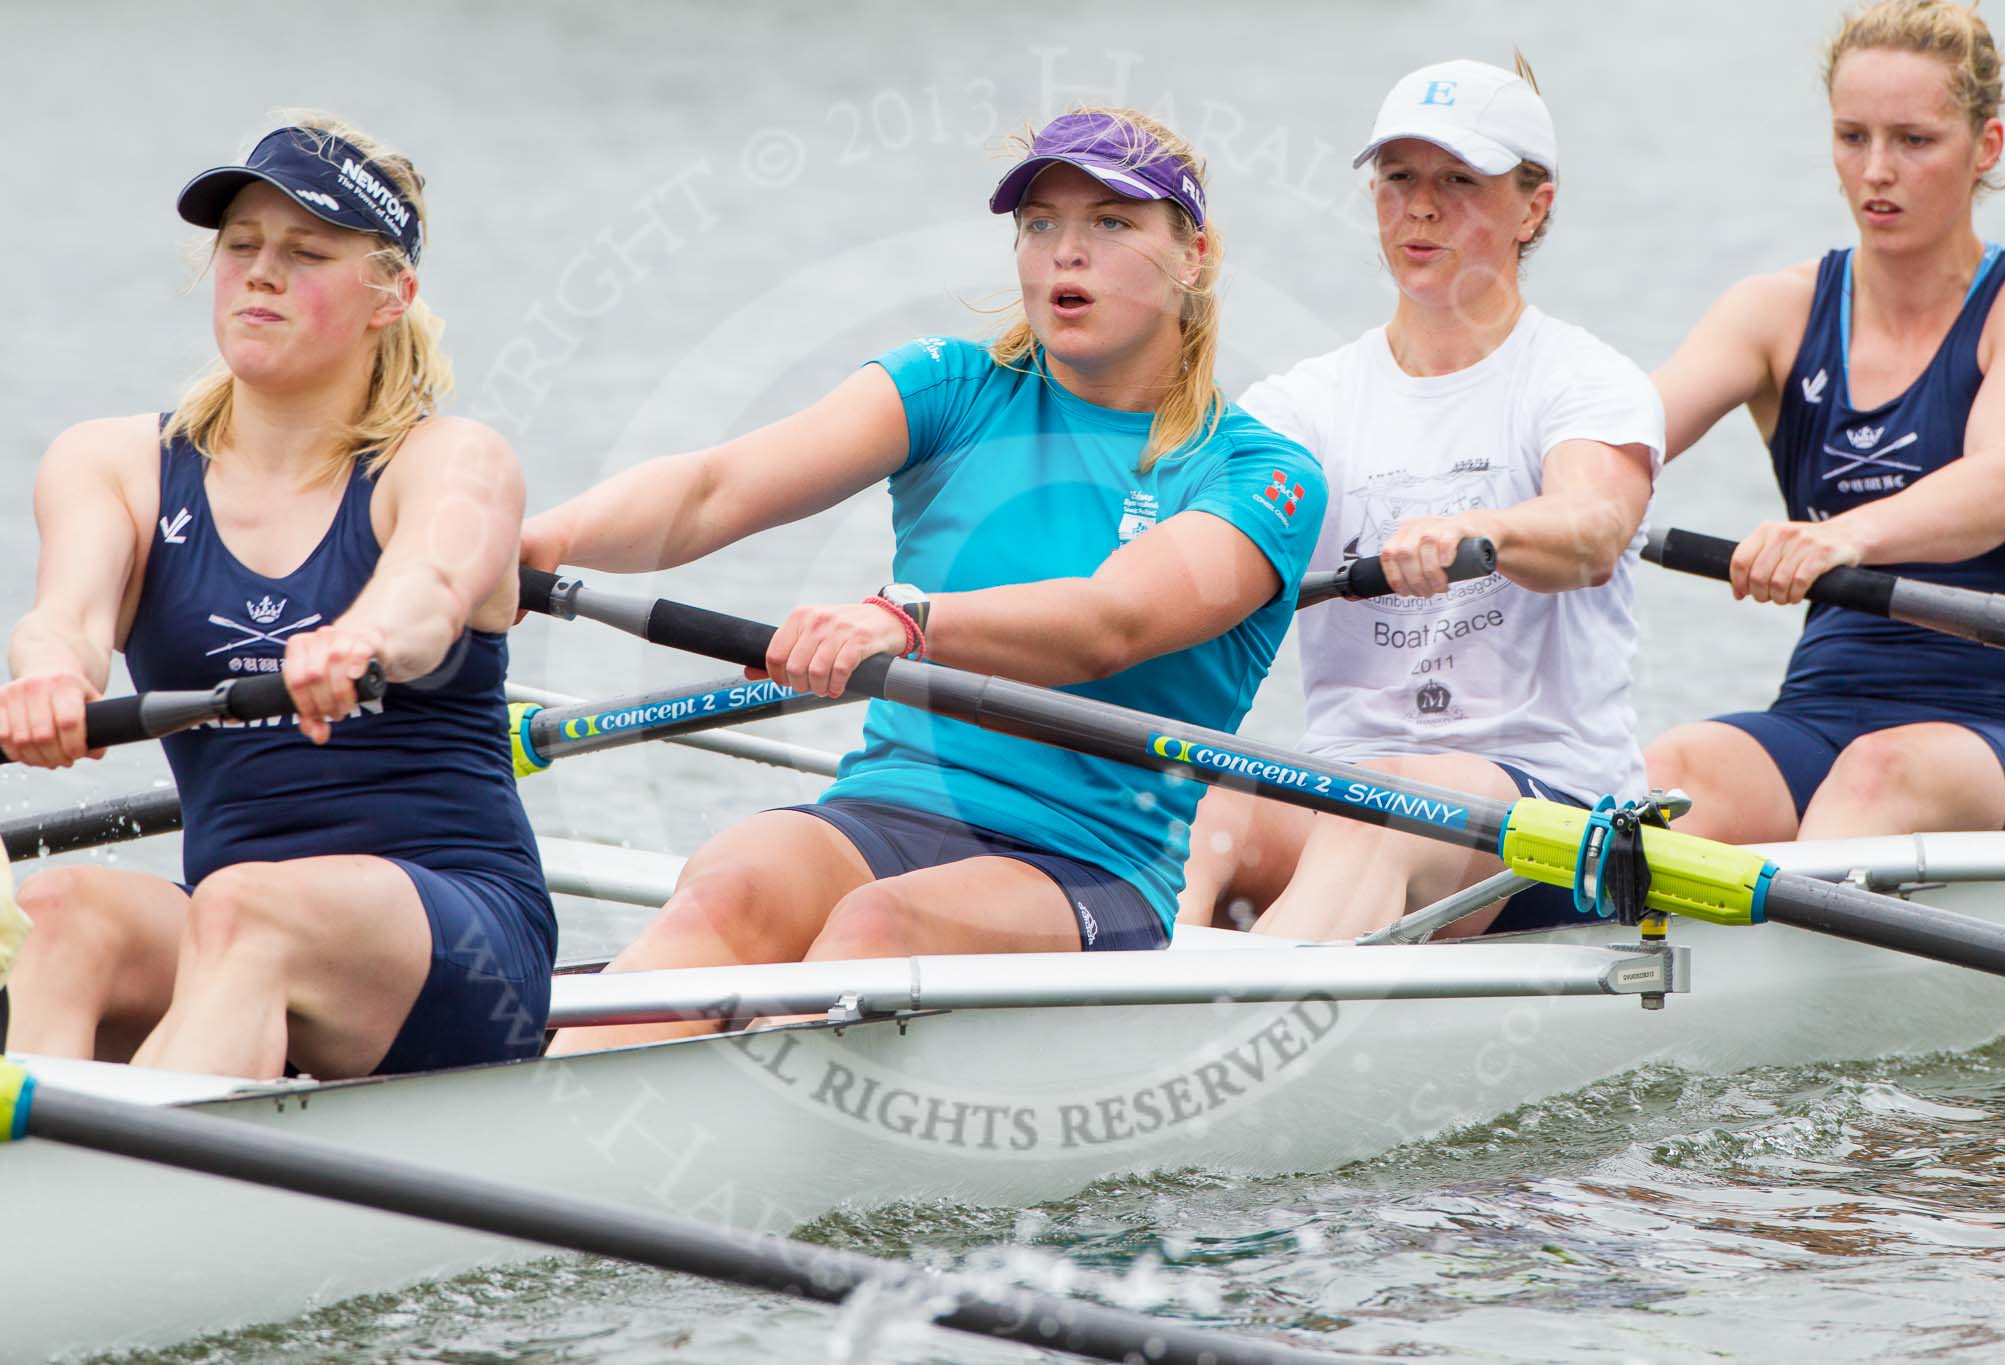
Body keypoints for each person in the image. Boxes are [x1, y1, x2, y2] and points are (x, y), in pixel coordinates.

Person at [526, 107, 1325, 1053]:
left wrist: (903, 622)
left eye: (1112, 222)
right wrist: (536, 542)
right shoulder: (949, 391)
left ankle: (707, 1122)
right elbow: (710, 490)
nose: (1067, 253)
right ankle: (549, 1109)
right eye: (1040, 225)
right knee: (734, 878)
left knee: (876, 928)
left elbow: (1111, 622)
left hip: (1087, 863)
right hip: (887, 805)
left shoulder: (1258, 474)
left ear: (1193, 255)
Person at [0, 114, 555, 1079]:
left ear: (394, 294)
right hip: (233, 925)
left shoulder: (452, 460)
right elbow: (68, 618)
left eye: (307, 252)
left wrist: (364, 637)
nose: (261, 273)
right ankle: (42, 1195)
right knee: (54, 913)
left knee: (245, 907)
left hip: (461, 941)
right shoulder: (115, 462)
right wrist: (49, 677)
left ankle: (95, 1202)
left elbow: (426, 590)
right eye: (242, 246)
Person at [1176, 58, 1663, 941]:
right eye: (1398, 178)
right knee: (1188, 804)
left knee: (1382, 807)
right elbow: (1191, 556)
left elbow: (1592, 531)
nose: (1421, 207)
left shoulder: (1584, 381)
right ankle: (1132, 1012)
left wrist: (1477, 527)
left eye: (1458, 181)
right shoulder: (1300, 405)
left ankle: (1230, 1038)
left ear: (1534, 206)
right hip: (1346, 782)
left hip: (1552, 816)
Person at [1645, 0, 2005, 843]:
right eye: (1852, 136)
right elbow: (1622, 437)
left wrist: (1842, 536)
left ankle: (1795, 963)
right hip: (1825, 707)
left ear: (1987, 148)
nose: (1875, 171)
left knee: (1877, 776)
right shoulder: (1774, 312)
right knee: (1674, 773)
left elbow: (2003, 485)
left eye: (1914, 140)